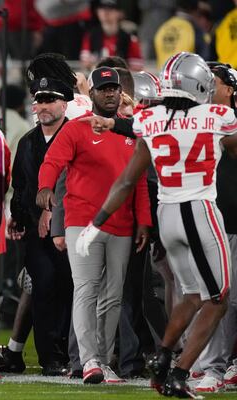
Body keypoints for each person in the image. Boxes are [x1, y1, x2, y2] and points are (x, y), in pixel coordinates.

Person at [74, 52, 237, 398]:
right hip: (199, 210)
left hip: (167, 215)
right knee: (218, 298)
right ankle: (179, 373)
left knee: (192, 294)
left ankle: (162, 358)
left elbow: (125, 181)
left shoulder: (151, 119)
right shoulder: (217, 115)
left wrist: (94, 224)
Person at [36, 67, 151, 385]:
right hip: (81, 222)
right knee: (86, 289)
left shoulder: (132, 133)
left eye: (114, 88)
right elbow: (53, 161)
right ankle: (88, 361)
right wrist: (45, 186)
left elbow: (139, 181)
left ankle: (103, 360)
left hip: (123, 225)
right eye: (103, 89)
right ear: (92, 95)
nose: (110, 93)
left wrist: (144, 220)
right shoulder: (76, 128)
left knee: (113, 296)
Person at [9, 77, 75, 376]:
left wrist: (55, 211)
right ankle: (51, 358)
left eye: (50, 100)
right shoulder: (27, 141)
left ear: (65, 103)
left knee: (71, 288)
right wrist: (19, 218)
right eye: (40, 100)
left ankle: (69, 353)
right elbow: (20, 186)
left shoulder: (77, 135)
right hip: (36, 230)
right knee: (44, 285)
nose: (44, 106)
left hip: (71, 225)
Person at [194, 62, 237, 393]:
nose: (207, 86)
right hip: (210, 220)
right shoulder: (195, 121)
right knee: (217, 296)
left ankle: (220, 365)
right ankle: (213, 366)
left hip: (231, 221)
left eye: (214, 82)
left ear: (229, 89)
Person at [80, 0, 143, 71]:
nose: (105, 12)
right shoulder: (90, 36)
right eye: (102, 8)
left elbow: (136, 68)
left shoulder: (130, 39)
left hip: (121, 79)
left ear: (120, 13)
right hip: (97, 78)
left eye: (110, 9)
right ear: (97, 12)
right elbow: (85, 63)